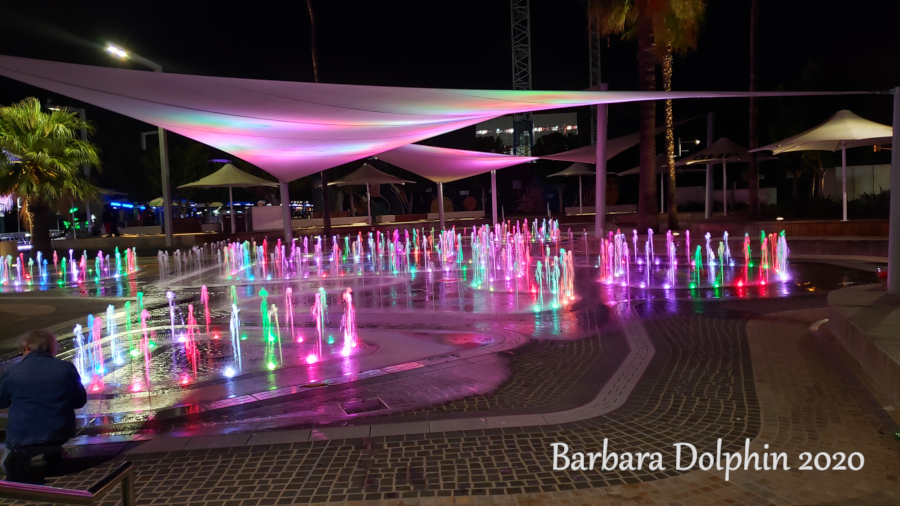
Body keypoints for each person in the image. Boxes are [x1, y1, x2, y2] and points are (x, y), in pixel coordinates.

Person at [0, 330, 87, 481]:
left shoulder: (12, 372)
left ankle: (20, 463)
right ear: (50, 348)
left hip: (22, 438)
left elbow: (1, 402)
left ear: (27, 348)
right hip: (60, 434)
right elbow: (80, 401)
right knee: (49, 429)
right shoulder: (66, 367)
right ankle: (54, 454)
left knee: (5, 462)